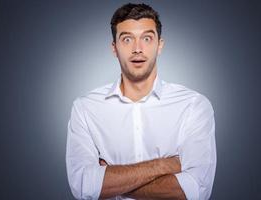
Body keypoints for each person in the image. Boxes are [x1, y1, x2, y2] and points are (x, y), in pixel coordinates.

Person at [66, 3, 216, 200]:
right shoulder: (85, 108)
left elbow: (195, 191)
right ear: (114, 48)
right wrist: (164, 165)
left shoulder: (193, 105)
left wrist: (109, 178)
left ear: (159, 45)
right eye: (127, 39)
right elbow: (83, 186)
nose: (137, 49)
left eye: (147, 38)